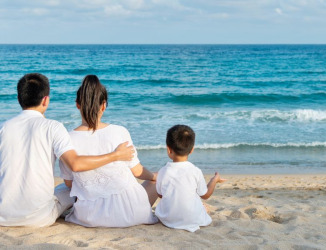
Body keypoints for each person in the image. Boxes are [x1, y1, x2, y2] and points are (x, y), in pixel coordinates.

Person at [0, 73, 134, 227]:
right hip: (39, 217)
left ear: (19, 99)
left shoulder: (3, 127)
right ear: (45, 100)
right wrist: (116, 155)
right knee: (69, 187)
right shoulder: (52, 127)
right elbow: (75, 164)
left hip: (3, 215)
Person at [59, 75, 158, 227]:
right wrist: (153, 176)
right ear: (104, 105)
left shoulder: (67, 138)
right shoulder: (120, 131)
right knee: (156, 182)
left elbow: (69, 183)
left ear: (77, 105)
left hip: (91, 217)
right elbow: (138, 172)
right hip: (132, 212)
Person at [155, 125, 226, 232]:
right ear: (192, 150)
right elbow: (205, 195)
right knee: (199, 201)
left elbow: (160, 194)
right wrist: (214, 180)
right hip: (193, 219)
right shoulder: (195, 171)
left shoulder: (163, 171)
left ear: (169, 149)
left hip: (168, 219)